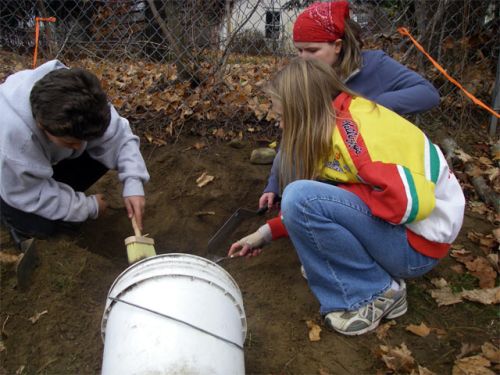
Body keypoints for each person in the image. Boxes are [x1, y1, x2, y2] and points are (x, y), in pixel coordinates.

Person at [228, 58, 465, 336]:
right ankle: (374, 283)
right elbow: (338, 202)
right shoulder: (336, 122)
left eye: (282, 118)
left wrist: (347, 199)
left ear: (303, 111)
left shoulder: (355, 135)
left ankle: (374, 294)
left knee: (300, 197)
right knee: (305, 202)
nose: (280, 127)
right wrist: (266, 232)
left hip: (417, 249)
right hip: (410, 237)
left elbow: (412, 203)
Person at [260, 0, 440, 210]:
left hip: (365, 165)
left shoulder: (374, 65)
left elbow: (428, 94)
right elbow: (294, 132)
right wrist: (273, 184)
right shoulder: (308, 76)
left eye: (312, 50)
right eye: (299, 51)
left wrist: (368, 107)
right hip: (326, 160)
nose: (303, 59)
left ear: (337, 45)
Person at [0, 60, 150, 248]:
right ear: (41, 125)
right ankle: (15, 223)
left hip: (41, 159)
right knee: (43, 227)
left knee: (101, 151)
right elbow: (29, 193)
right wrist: (87, 207)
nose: (79, 147)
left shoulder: (82, 95)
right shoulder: (15, 140)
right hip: (12, 183)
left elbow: (119, 138)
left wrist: (133, 183)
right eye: (69, 142)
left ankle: (58, 188)